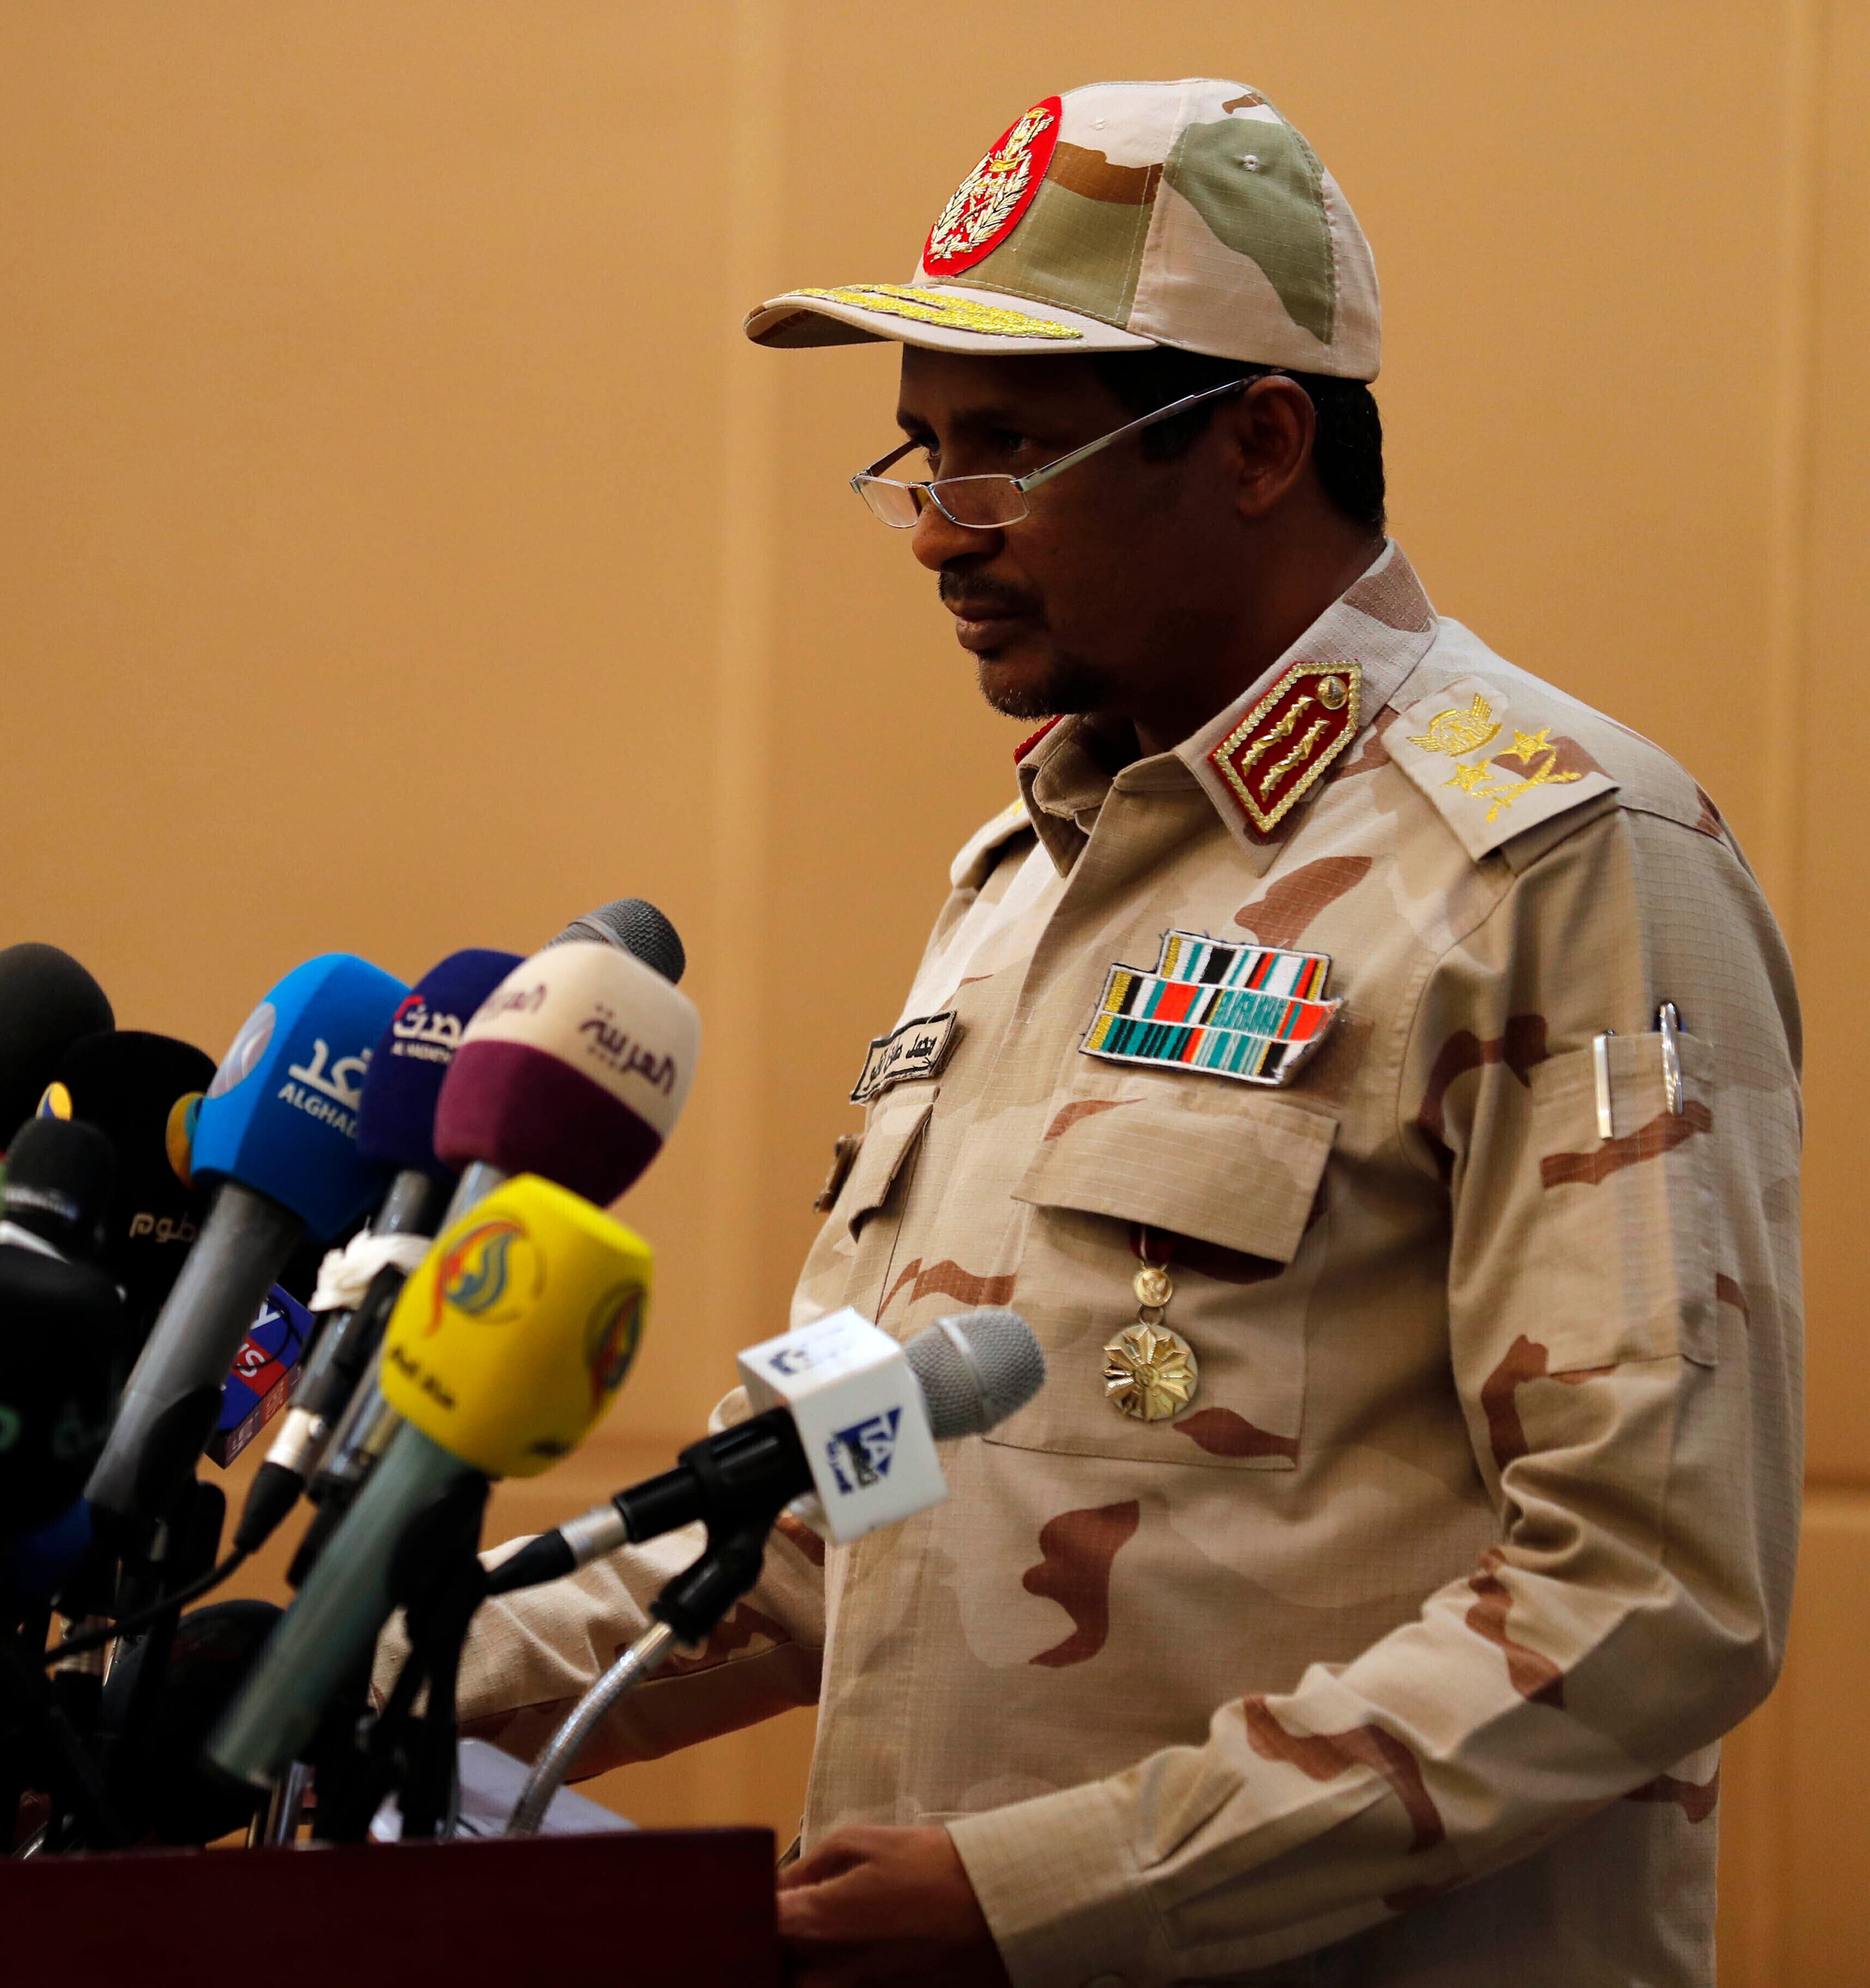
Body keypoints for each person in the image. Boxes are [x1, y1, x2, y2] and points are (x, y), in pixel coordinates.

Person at [437, 78, 1802, 1986]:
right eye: (916, 457)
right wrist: (369, 1679)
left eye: (1005, 452)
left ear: (1253, 442)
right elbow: (840, 1510)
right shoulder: (1022, 879)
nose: (938, 533)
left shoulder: (1558, 861)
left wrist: (1049, 1899)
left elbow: (1650, 1593)